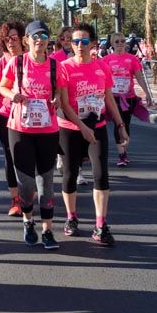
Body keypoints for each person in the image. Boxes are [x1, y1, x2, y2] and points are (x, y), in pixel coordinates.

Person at [56, 24, 128, 246]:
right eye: (75, 42)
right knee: (69, 174)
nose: (79, 46)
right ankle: (71, 218)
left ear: (93, 44)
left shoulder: (102, 67)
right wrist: (82, 127)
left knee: (101, 174)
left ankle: (100, 224)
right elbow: (65, 105)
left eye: (84, 42)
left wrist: (120, 124)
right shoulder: (64, 68)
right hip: (69, 127)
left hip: (96, 127)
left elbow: (108, 98)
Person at [0, 20, 62, 250]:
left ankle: (47, 230)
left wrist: (57, 101)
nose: (39, 40)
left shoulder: (56, 66)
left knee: (46, 183)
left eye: (43, 36)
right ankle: (28, 221)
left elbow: (60, 95)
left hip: (47, 130)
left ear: (48, 40)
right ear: (27, 40)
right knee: (26, 184)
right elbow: (2, 87)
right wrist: (12, 94)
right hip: (20, 129)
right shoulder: (17, 63)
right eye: (35, 36)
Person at [0, 22, 26, 216]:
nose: (10, 41)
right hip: (6, 116)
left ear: (23, 38)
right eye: (6, 38)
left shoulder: (33, 59)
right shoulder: (0, 63)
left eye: (14, 37)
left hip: (32, 117)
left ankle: (30, 193)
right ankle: (16, 200)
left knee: (30, 157)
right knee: (11, 157)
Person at [105, 32, 155, 166]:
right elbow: (101, 79)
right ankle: (121, 154)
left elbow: (139, 77)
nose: (120, 44)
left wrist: (147, 94)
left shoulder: (132, 59)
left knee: (125, 124)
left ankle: (124, 152)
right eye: (117, 42)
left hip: (129, 97)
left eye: (122, 41)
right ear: (112, 44)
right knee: (118, 124)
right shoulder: (106, 60)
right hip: (114, 98)